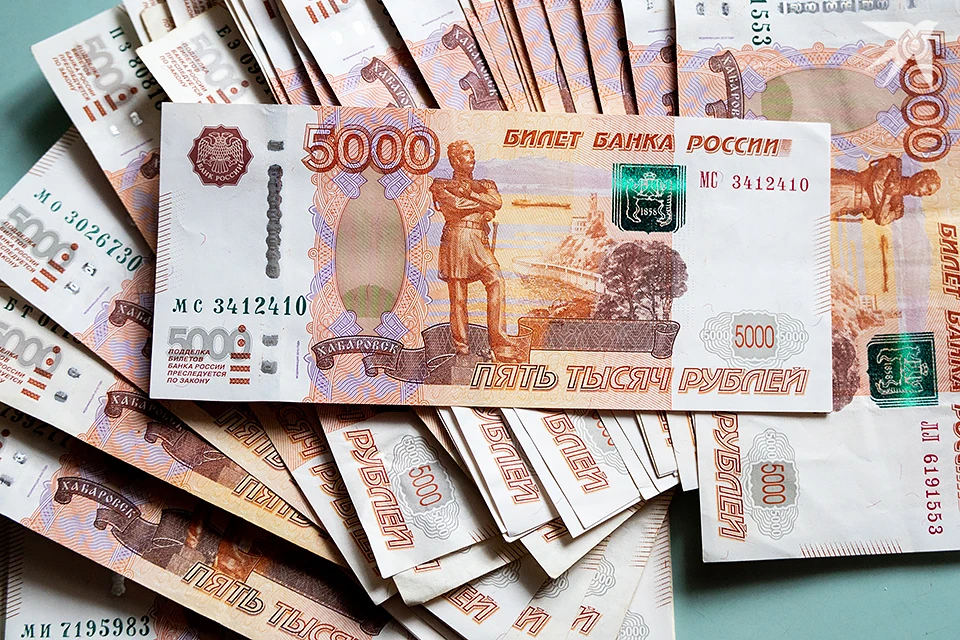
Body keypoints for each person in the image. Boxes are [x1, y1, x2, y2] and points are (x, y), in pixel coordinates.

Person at [430, 140, 520, 362]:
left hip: (479, 239)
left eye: (472, 153)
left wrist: (472, 193)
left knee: (496, 280)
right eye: (467, 154)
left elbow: (496, 202)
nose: (472, 157)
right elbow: (455, 206)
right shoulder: (440, 185)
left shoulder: (485, 183)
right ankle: (462, 348)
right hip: (457, 238)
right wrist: (481, 205)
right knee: (458, 297)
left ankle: (499, 340)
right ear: (455, 160)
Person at [831, 155, 941, 225]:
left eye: (929, 194)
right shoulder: (894, 165)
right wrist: (881, 205)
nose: (926, 193)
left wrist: (887, 196)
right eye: (928, 188)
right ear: (920, 177)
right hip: (844, 185)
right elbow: (875, 182)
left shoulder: (898, 208)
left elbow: (881, 220)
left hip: (845, 206)